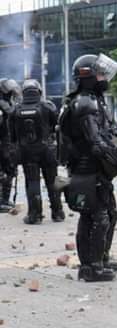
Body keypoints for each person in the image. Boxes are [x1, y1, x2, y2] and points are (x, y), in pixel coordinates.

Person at [57, 53, 117, 282]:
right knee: (97, 217)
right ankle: (91, 267)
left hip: (94, 171)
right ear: (89, 76)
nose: (104, 77)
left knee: (108, 215)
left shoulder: (93, 99)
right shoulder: (85, 103)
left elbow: (105, 132)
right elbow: (96, 143)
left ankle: (100, 258)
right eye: (100, 72)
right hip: (86, 171)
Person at [9, 79, 64, 224]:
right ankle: (58, 213)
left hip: (27, 152)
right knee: (53, 181)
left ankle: (35, 215)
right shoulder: (48, 106)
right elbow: (56, 126)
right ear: (39, 91)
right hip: (47, 150)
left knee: (32, 182)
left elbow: (12, 135)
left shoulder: (15, 109)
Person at [0, 78, 21, 213]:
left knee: (10, 171)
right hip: (3, 143)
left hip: (8, 143)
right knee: (5, 172)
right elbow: (11, 113)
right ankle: (2, 201)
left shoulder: (9, 103)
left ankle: (5, 200)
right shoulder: (3, 105)